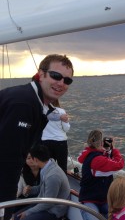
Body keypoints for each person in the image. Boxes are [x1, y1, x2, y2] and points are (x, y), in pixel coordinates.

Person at [0, 54, 74, 220]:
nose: (61, 83)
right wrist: (5, 211)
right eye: (56, 76)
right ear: (41, 74)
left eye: (67, 80)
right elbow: (8, 162)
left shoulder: (34, 101)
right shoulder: (24, 104)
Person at [78, 129, 125, 220]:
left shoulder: (90, 153)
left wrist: (107, 151)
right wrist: (114, 150)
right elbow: (119, 164)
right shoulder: (97, 160)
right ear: (100, 143)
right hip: (90, 200)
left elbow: (106, 162)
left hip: (102, 199)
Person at [15, 145, 70, 220]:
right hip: (42, 203)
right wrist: (30, 190)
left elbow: (48, 203)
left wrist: (27, 212)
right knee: (16, 217)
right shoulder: (46, 167)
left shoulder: (53, 176)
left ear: (36, 160)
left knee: (23, 218)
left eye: (32, 158)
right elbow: (41, 188)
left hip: (53, 210)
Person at [42, 99, 71, 173]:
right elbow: (66, 128)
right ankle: (62, 183)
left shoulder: (42, 111)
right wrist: (67, 121)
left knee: (47, 167)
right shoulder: (61, 111)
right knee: (62, 166)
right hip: (60, 141)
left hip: (45, 141)